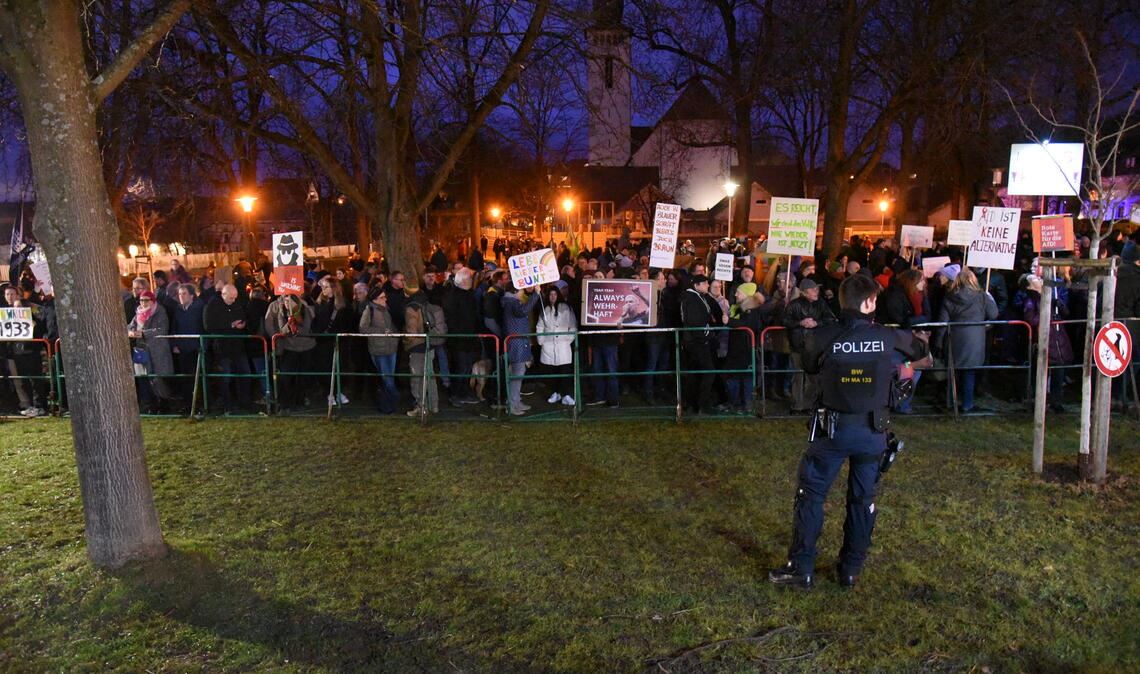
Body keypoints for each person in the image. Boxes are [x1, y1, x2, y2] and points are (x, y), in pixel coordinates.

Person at [769, 274, 929, 589]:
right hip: (872, 433)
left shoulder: (824, 336)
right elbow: (919, 351)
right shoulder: (888, 337)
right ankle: (850, 570)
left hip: (832, 431)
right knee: (862, 499)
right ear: (870, 302)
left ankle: (801, 568)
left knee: (811, 496)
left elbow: (810, 366)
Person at [935, 268, 998, 414]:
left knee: (953, 372)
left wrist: (938, 342)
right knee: (969, 371)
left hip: (954, 338)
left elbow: (942, 322)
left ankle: (950, 402)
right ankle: (967, 404)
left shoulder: (949, 296)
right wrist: (989, 298)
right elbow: (993, 314)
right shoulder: (981, 296)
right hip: (975, 338)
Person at [783, 278, 837, 413]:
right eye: (813, 289)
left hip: (814, 346)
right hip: (797, 344)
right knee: (798, 376)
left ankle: (808, 404)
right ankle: (797, 405)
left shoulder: (821, 304)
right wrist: (800, 323)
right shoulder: (793, 305)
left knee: (812, 377)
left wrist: (816, 323)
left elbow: (831, 319)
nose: (816, 291)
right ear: (805, 292)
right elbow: (785, 321)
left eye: (816, 289)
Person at [203, 283, 252, 413]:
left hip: (238, 345)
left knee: (245, 373)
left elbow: (243, 316)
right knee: (226, 377)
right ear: (223, 294)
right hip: (223, 347)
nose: (233, 300)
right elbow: (209, 325)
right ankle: (227, 404)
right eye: (231, 298)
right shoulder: (212, 306)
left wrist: (243, 324)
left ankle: (244, 402)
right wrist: (230, 324)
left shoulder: (236, 304)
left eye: (235, 297)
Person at [264, 293, 316, 412]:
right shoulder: (281, 312)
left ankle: (300, 400)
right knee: (286, 376)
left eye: (289, 302)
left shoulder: (304, 311)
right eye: (285, 302)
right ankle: (286, 402)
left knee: (302, 376)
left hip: (305, 347)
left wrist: (296, 322)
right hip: (289, 348)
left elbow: (306, 328)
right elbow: (282, 330)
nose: (287, 304)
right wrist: (289, 324)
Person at [127, 290, 176, 412]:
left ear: (152, 300)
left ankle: (164, 404)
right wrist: (132, 331)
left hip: (157, 349)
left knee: (158, 377)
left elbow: (161, 329)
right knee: (144, 377)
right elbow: (131, 325)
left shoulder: (159, 312)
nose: (143, 303)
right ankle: (150, 404)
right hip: (142, 349)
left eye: (146, 300)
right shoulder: (138, 313)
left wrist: (143, 334)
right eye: (141, 300)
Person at [680, 274, 721, 414]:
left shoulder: (695, 297)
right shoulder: (692, 299)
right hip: (698, 342)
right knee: (708, 372)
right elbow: (695, 321)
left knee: (696, 373)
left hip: (695, 341)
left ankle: (693, 403)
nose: (707, 285)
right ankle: (702, 404)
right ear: (696, 285)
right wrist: (707, 335)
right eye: (704, 283)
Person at [404, 288, 447, 416]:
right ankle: (434, 405)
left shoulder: (411, 308)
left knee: (417, 378)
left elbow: (412, 331)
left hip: (417, 347)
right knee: (430, 376)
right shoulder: (429, 305)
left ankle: (420, 406)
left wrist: (405, 341)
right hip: (431, 344)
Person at [360, 288, 399, 414]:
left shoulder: (385, 309)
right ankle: (392, 401)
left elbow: (391, 326)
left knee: (389, 378)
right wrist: (382, 332)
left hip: (391, 347)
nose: (385, 299)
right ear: (375, 299)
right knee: (387, 379)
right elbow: (363, 329)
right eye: (382, 297)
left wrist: (395, 335)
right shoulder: (369, 310)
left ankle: (388, 405)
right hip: (378, 349)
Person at [537, 284, 577, 406]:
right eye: (550, 294)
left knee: (565, 371)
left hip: (563, 346)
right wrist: (542, 341)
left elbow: (573, 325)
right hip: (548, 346)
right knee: (551, 372)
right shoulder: (545, 310)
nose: (553, 297)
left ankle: (566, 395)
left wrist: (568, 339)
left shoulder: (566, 308)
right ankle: (555, 392)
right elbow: (540, 327)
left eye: (555, 294)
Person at [502, 285, 539, 415]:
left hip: (519, 342)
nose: (523, 292)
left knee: (518, 374)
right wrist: (536, 294)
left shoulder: (511, 303)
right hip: (516, 343)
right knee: (516, 375)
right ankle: (512, 405)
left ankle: (516, 401)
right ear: (515, 292)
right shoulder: (511, 303)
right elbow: (523, 311)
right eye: (521, 290)